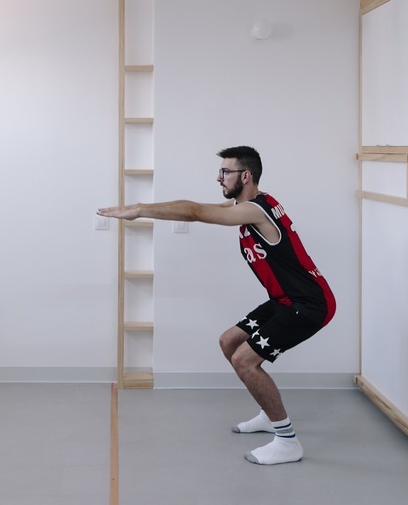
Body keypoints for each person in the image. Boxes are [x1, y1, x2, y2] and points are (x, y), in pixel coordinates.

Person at [97, 145, 335, 465]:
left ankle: (287, 441)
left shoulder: (256, 211)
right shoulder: (248, 205)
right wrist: (143, 207)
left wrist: (139, 209)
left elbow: (194, 212)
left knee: (244, 361)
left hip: (309, 304)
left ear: (246, 176)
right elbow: (194, 207)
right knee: (229, 342)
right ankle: (269, 415)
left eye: (225, 172)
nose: (219, 177)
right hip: (284, 299)